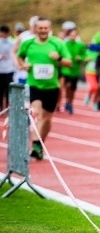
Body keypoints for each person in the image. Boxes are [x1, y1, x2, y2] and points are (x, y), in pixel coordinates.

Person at [16, 18, 72, 160]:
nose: (43, 31)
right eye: (40, 28)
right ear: (35, 29)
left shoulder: (57, 43)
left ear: (49, 28)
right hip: (34, 84)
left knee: (47, 119)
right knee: (37, 114)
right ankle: (35, 144)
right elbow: (19, 57)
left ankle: (40, 144)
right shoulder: (28, 43)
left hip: (52, 86)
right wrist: (23, 65)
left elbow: (69, 63)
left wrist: (58, 58)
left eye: (45, 28)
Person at [58, 21, 86, 115]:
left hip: (75, 69)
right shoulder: (65, 44)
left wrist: (80, 58)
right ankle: (62, 102)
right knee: (65, 86)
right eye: (71, 35)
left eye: (74, 35)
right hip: (66, 69)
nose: (73, 37)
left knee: (73, 89)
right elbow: (60, 53)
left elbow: (85, 55)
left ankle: (69, 103)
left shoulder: (80, 45)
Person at [11, 16, 38, 84]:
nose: (35, 28)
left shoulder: (46, 36)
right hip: (23, 72)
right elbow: (13, 51)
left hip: (38, 71)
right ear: (30, 25)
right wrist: (18, 64)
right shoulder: (24, 36)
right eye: (33, 25)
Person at [0, 25, 15, 111]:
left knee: (9, 90)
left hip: (9, 69)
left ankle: (8, 108)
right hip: (0, 70)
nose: (3, 34)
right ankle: (1, 107)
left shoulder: (12, 42)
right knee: (0, 90)